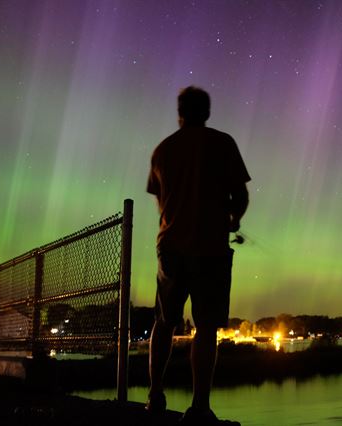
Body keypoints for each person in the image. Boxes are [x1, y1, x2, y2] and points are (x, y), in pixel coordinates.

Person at [146, 86, 250, 425]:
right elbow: (241, 195)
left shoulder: (162, 151)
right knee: (206, 328)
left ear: (180, 112)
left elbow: (160, 200)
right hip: (210, 248)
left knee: (164, 322)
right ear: (206, 112)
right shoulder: (223, 143)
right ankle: (200, 407)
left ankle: (155, 395)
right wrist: (233, 218)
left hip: (171, 246)